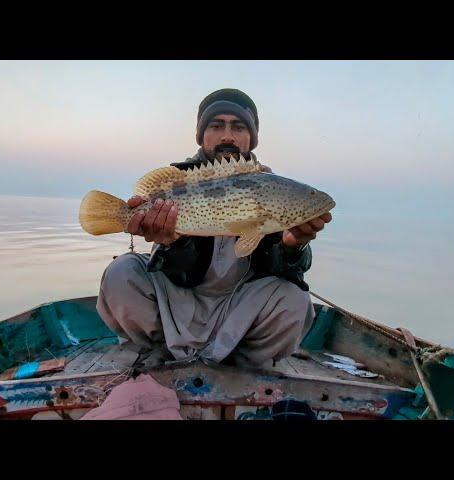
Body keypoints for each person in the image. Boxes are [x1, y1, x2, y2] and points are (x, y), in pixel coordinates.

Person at [96, 88, 332, 368]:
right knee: (121, 273)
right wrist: (173, 242)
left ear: (252, 138)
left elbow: (286, 273)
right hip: (178, 300)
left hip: (240, 306)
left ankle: (242, 366)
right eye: (216, 125)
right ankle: (158, 350)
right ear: (201, 134)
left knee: (295, 300)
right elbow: (178, 274)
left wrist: (294, 248)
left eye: (239, 126)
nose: (227, 136)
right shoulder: (180, 180)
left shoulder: (271, 188)